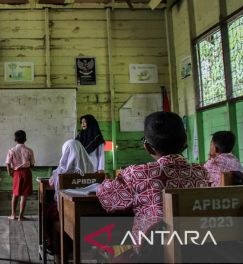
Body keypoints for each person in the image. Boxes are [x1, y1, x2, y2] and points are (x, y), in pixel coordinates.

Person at [96, 111, 210, 258]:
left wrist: (103, 181)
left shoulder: (137, 174)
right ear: (185, 143)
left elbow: (107, 197)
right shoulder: (201, 172)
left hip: (152, 255)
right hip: (197, 251)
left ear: (148, 147)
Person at [46, 139, 95, 255]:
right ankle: (84, 247)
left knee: (49, 212)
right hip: (88, 209)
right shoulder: (92, 168)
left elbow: (52, 185)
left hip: (69, 209)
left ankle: (56, 248)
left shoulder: (61, 172)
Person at [5, 130, 34, 221]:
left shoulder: (12, 150)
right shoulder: (29, 150)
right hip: (27, 172)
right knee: (24, 195)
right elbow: (32, 164)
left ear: (15, 139)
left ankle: (13, 214)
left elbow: (7, 163)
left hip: (17, 173)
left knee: (15, 194)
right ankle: (21, 216)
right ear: (25, 139)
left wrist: (10, 172)